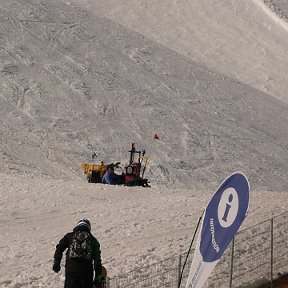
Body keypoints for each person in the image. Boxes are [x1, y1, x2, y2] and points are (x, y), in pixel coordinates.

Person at [52, 218, 102, 288]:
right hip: (86, 271)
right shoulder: (93, 240)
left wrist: (56, 262)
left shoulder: (69, 236)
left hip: (71, 269)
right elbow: (97, 259)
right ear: (89, 228)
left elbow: (59, 248)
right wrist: (98, 277)